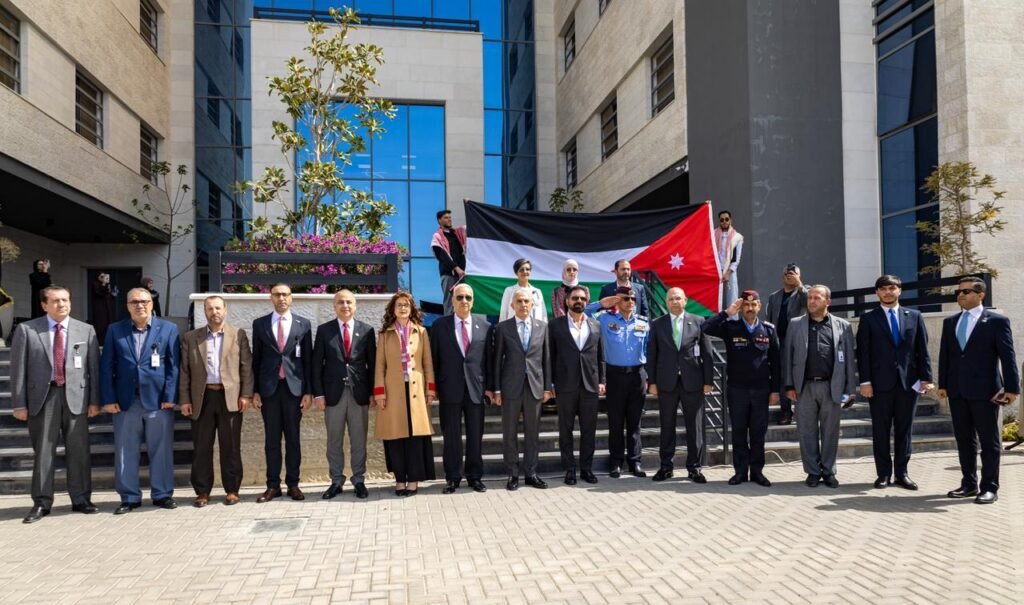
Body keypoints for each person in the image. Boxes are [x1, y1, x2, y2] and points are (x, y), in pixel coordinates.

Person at [10, 285, 100, 523]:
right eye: (56, 301)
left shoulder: (86, 330)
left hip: (76, 399)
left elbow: (94, 369)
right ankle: (42, 502)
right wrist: (19, 404)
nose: (62, 304)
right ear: (44, 305)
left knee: (79, 452)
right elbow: (18, 370)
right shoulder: (27, 330)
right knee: (43, 452)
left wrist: (94, 401)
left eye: (65, 300)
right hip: (43, 398)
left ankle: (81, 499)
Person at [938, 276, 1019, 504]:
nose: (961, 295)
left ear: (981, 294)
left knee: (989, 441)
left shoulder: (996, 321)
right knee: (964, 440)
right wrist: (943, 384)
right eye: (959, 292)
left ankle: (990, 487)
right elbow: (945, 356)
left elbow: (1007, 356)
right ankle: (968, 484)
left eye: (966, 291)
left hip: (986, 392)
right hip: (957, 391)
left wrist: (1012, 388)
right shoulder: (950, 322)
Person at [100, 287, 180, 514]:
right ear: (127, 306)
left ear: (152, 304)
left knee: (161, 450)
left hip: (158, 401)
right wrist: (109, 398)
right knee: (125, 451)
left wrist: (170, 396)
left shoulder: (169, 329)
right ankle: (129, 497)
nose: (139, 305)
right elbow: (106, 366)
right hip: (125, 402)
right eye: (134, 302)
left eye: (144, 301)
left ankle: (162, 494)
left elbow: (173, 366)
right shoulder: (115, 330)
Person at [855, 275, 932, 491]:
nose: (888, 292)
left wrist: (926, 378)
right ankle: (883, 474)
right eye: (883, 289)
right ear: (877, 293)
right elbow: (863, 353)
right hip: (879, 384)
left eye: (892, 288)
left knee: (904, 430)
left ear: (900, 290)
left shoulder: (914, 316)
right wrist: (865, 381)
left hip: (908, 384)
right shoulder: (868, 318)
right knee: (880, 430)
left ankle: (902, 474)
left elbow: (922, 350)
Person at [179, 295, 254, 507]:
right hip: (202, 398)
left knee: (231, 446)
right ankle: (202, 491)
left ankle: (232, 489)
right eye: (210, 309)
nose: (215, 312)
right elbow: (184, 371)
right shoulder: (191, 337)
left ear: (225, 310)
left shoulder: (238, 334)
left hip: (230, 397)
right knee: (202, 447)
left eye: (218, 308)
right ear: (204, 311)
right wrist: (184, 399)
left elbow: (246, 367)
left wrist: (246, 395)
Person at [781, 285, 857, 488]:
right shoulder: (795, 324)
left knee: (830, 432)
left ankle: (829, 471)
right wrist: (788, 385)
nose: (812, 301)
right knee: (806, 432)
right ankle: (813, 472)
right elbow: (787, 357)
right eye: (810, 298)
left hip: (832, 387)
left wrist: (850, 390)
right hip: (804, 387)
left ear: (827, 302)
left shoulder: (842, 326)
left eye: (817, 298)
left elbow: (849, 360)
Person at [702, 291, 780, 487]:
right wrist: (727, 312)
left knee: (758, 433)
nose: (750, 308)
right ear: (741, 307)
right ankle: (740, 472)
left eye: (753, 305)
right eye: (746, 305)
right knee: (738, 432)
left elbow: (776, 363)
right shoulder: (731, 327)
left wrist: (775, 390)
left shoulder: (768, 330)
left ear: (759, 306)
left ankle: (757, 472)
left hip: (761, 390)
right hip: (737, 390)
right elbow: (705, 327)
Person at [251, 284, 313, 502]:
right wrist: (255, 391)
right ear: (271, 298)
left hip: (294, 390)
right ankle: (273, 485)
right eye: (277, 294)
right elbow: (256, 359)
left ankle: (293, 485)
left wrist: (308, 391)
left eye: (285, 294)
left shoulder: (303, 324)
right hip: (269, 390)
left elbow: (308, 360)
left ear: (291, 298)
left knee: (293, 439)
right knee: (272, 440)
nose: (281, 298)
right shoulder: (259, 324)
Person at [312, 290, 376, 500]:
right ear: (334, 306)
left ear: (355, 306)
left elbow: (373, 365)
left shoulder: (366, 331)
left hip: (359, 394)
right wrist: (318, 394)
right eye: (340, 302)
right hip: (333, 394)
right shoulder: (324, 331)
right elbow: (316, 364)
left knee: (359, 440)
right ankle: (336, 481)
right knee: (334, 440)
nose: (345, 305)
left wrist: (373, 393)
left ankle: (359, 480)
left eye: (349, 302)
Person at [646, 287, 713, 483]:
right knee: (667, 426)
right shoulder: (657, 324)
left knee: (695, 427)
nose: (675, 302)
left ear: (685, 300)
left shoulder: (699, 321)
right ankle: (666, 467)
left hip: (693, 382)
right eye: (671, 299)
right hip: (666, 383)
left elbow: (707, 353)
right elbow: (652, 355)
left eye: (678, 298)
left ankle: (695, 468)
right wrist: (652, 382)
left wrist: (708, 381)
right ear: (666, 302)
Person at [373, 292, 437, 496]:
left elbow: (427, 363)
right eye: (399, 305)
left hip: (416, 390)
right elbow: (379, 366)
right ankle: (400, 479)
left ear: (411, 309)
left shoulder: (421, 332)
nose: (403, 308)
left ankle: (414, 480)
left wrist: (430, 389)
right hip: (393, 391)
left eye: (406, 305)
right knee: (395, 436)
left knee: (415, 437)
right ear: (393, 309)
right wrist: (380, 393)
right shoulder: (385, 334)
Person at [431, 284, 491, 494]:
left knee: (475, 435)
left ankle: (475, 477)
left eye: (468, 297)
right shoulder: (439, 326)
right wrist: (433, 387)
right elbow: (434, 359)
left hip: (476, 389)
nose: (464, 301)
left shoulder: (485, 326)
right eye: (460, 297)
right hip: (449, 388)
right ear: (453, 300)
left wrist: (490, 388)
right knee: (451, 436)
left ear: (473, 301)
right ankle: (453, 477)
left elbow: (489, 360)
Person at [493, 287, 552, 490]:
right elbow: (497, 360)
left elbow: (546, 359)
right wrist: (497, 389)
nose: (523, 304)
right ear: (512, 305)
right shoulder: (503, 328)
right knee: (509, 432)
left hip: (535, 386)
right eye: (519, 301)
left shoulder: (542, 327)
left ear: (532, 304)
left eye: (526, 301)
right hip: (510, 387)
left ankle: (531, 473)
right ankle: (512, 474)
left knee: (532, 433)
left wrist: (547, 387)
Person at [586, 285, 648, 478]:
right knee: (615, 422)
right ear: (617, 300)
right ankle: (616, 462)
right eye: (625, 299)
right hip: (614, 375)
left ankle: (635, 462)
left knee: (635, 422)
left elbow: (650, 349)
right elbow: (583, 313)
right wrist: (600, 304)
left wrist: (649, 376)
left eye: (633, 299)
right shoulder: (605, 319)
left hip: (637, 375)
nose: (630, 302)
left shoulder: (643, 322)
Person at [550, 285, 605, 485]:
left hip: (590, 385)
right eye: (575, 298)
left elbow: (600, 357)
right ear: (567, 301)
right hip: (565, 385)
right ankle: (569, 470)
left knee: (589, 430)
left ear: (587, 302)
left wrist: (602, 381)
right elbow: (550, 356)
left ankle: (586, 469)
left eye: (582, 298)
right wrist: (550, 383)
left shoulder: (596, 325)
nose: (579, 301)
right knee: (565, 430)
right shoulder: (555, 325)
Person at [765, 263, 809, 425]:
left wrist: (799, 285)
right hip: (779, 340)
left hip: (799, 340)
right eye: (786, 274)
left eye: (793, 273)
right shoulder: (774, 296)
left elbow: (809, 304)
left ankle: (802, 411)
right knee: (783, 376)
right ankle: (786, 411)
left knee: (800, 375)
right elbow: (770, 318)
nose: (789, 276)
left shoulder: (804, 291)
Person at [431, 209, 467, 315]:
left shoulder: (458, 233)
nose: (449, 219)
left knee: (464, 300)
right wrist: (457, 268)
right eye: (446, 218)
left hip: (463, 275)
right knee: (450, 302)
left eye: (450, 217)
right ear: (439, 220)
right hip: (448, 275)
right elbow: (442, 256)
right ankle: (448, 324)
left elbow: (471, 226)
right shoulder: (437, 237)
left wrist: (469, 206)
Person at [498, 258, 547, 322]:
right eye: (521, 270)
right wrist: (502, 327)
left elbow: (543, 314)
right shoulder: (509, 291)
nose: (525, 272)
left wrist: (544, 327)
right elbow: (504, 313)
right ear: (516, 273)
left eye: (527, 269)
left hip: (535, 327)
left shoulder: (537, 292)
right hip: (514, 326)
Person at [714, 210, 743, 314]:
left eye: (726, 219)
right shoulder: (713, 234)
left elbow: (736, 258)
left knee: (732, 297)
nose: (724, 222)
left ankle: (732, 321)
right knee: (715, 297)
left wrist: (728, 273)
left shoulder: (737, 237)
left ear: (730, 220)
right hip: (716, 270)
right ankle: (716, 320)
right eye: (722, 220)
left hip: (730, 270)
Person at [90, 272, 116, 343]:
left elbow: (108, 297)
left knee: (109, 324)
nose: (103, 278)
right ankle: (100, 341)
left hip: (107, 308)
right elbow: (98, 293)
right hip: (100, 309)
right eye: (101, 277)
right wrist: (104, 284)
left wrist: (113, 294)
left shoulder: (107, 285)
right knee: (100, 325)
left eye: (104, 276)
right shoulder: (95, 284)